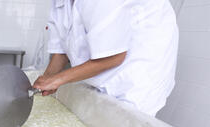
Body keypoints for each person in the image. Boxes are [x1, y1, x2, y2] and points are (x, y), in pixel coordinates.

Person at [33, 0, 179, 116]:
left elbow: (114, 57)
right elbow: (62, 49)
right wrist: (45, 80)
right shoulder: (60, 3)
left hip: (138, 72)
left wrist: (57, 80)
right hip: (105, 67)